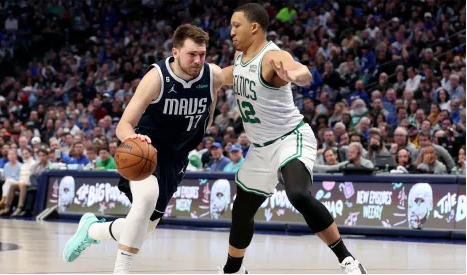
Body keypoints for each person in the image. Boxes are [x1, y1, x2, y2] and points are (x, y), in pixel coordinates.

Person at [62, 24, 226, 274]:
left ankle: (91, 229)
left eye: (202, 54)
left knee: (142, 229)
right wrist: (135, 140)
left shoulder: (212, 75)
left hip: (177, 156)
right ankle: (122, 270)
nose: (197, 60)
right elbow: (123, 125)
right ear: (175, 52)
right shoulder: (157, 78)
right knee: (146, 199)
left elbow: (241, 73)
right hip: (146, 151)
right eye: (191, 54)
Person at [219, 3, 366, 274]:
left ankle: (348, 260)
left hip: (290, 137)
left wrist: (295, 76)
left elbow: (302, 71)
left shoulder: (272, 56)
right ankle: (232, 270)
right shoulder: (240, 60)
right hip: (261, 149)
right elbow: (222, 75)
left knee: (297, 193)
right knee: (241, 212)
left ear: (254, 27)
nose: (231, 32)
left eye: (236, 25)